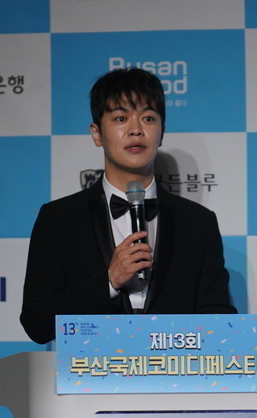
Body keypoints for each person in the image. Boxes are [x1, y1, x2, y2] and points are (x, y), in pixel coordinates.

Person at [20, 68, 236, 344]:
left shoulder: (198, 222)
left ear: (161, 132)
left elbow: (217, 318)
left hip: (176, 369)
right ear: (97, 134)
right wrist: (109, 281)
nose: (136, 130)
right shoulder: (59, 219)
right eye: (121, 118)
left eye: (148, 118)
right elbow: (37, 323)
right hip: (91, 368)